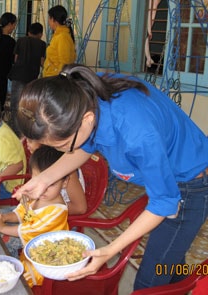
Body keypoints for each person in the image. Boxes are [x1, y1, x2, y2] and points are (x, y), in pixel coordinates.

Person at [13, 63, 208, 290]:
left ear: (86, 119)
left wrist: (109, 250)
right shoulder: (80, 94)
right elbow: (85, 145)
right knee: (169, 261)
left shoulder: (136, 133)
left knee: (148, 284)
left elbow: (164, 202)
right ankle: (182, 283)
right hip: (168, 179)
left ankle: (188, 280)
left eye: (65, 145)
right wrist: (44, 178)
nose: (65, 152)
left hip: (189, 184)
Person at [0, 145, 69, 287]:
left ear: (64, 182)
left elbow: (27, 229)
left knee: (12, 278)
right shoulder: (38, 195)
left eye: (51, 184)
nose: (43, 189)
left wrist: (2, 226)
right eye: (38, 180)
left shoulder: (57, 212)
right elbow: (23, 214)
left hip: (43, 262)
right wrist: (4, 218)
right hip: (30, 250)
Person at [8, 22, 46, 135]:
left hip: (18, 75)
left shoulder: (20, 40)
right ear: (40, 34)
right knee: (28, 105)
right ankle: (25, 131)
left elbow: (15, 58)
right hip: (31, 77)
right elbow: (42, 62)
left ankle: (16, 130)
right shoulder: (42, 44)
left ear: (29, 32)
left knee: (15, 104)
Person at [42, 5, 76, 77]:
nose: (48, 21)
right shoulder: (58, 35)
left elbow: (64, 62)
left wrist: (60, 80)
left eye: (49, 18)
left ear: (53, 20)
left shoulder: (62, 37)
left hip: (55, 80)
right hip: (51, 77)